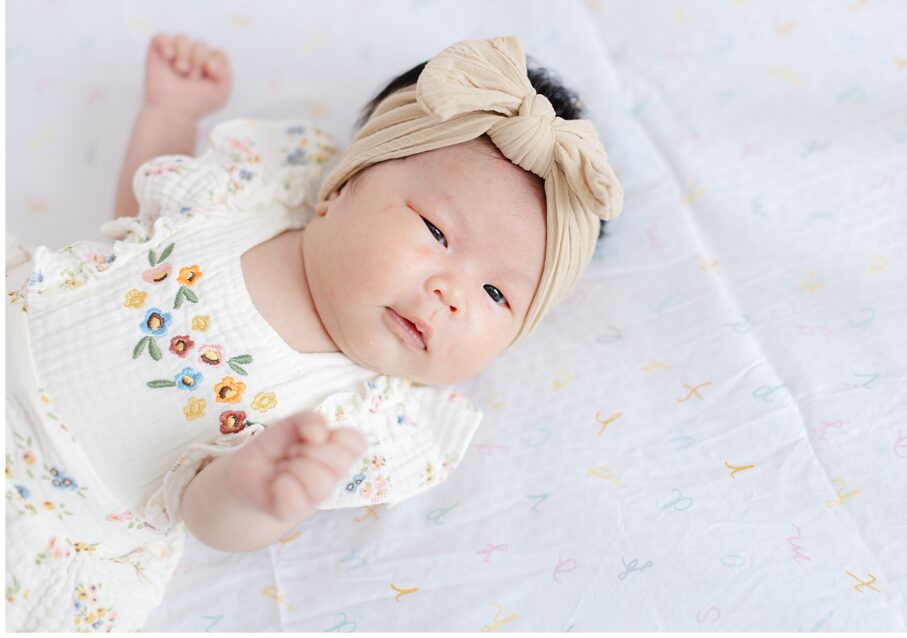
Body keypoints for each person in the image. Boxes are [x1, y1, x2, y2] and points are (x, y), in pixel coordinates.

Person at [4, 32, 622, 631]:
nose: (451, 294)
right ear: (343, 187)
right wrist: (170, 112)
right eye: (436, 232)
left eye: (496, 294)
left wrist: (255, 493)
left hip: (58, 519)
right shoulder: (247, 198)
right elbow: (139, 219)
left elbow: (200, 513)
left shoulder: (352, 421)